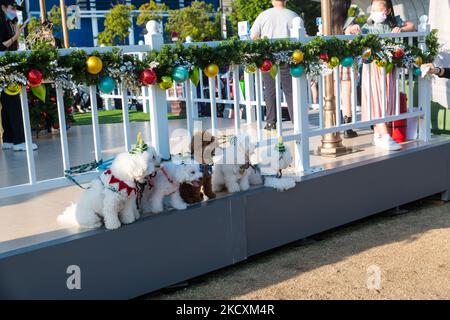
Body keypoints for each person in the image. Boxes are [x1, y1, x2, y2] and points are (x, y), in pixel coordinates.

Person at [359, 0, 415, 151]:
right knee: (376, 99)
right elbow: (358, 39)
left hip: (389, 68)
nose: (375, 11)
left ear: (388, 11)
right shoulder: (368, 26)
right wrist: (351, 30)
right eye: (374, 9)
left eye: (379, 9)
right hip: (373, 68)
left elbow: (412, 25)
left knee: (387, 99)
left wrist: (401, 30)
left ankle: (378, 135)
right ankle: (384, 135)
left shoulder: (393, 23)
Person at [250, 0, 301, 131]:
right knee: (290, 91)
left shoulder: (263, 15)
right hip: (288, 58)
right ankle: (296, 121)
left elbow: (253, 36)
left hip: (268, 59)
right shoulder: (294, 15)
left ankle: (271, 122)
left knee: (270, 90)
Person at [0, 0, 37, 151]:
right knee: (14, 104)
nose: (14, 11)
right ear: (3, 7)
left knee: (8, 104)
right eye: (12, 7)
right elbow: (1, 47)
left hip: (6, 68)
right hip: (5, 69)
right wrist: (16, 36)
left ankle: (9, 138)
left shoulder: (7, 22)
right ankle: (20, 141)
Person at [332, 0, 358, 139]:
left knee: (335, 94)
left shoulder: (328, 21)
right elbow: (352, 41)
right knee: (346, 94)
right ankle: (347, 127)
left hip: (332, 61)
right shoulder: (349, 22)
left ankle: (335, 124)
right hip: (346, 61)